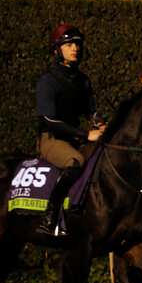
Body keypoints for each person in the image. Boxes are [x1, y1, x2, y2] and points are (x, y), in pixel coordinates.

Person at [35, 25, 106, 235]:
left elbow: (91, 113)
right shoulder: (47, 82)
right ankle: (49, 217)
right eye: (68, 44)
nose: (75, 48)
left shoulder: (83, 80)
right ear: (57, 50)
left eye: (77, 44)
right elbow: (49, 121)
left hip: (74, 139)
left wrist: (99, 123)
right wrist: (86, 134)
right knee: (76, 162)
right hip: (52, 140)